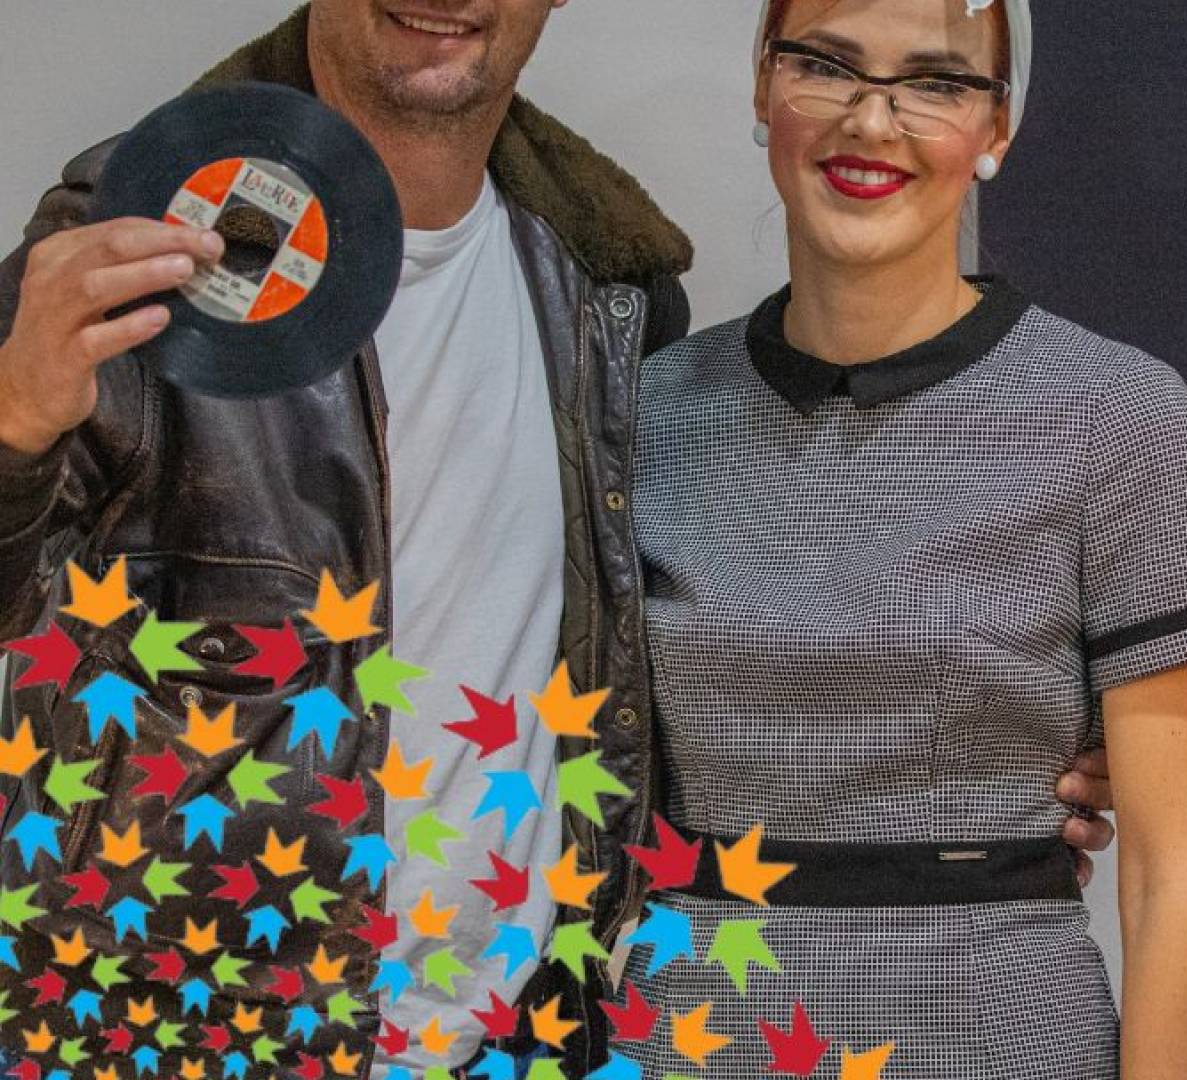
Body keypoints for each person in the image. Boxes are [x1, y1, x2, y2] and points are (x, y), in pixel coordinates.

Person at [0, 3, 1114, 1078]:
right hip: (175, 1032)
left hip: (524, 1039)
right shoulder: (125, 242)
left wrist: (1010, 761)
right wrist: (8, 429)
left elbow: (658, 650)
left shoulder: (611, 291)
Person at [614, 1, 1187, 1077]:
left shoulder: (1118, 417)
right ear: (765, 82)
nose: (873, 122)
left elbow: (1169, 883)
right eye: (827, 66)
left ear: (997, 126)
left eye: (936, 83)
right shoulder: (643, 411)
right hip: (690, 1032)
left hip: (1000, 1033)